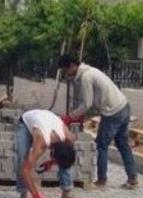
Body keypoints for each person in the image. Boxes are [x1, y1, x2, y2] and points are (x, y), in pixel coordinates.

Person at [58, 54, 138, 189]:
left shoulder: (86, 77)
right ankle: (133, 178)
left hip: (113, 112)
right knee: (123, 144)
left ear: (72, 66)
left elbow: (86, 104)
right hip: (124, 106)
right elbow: (92, 101)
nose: (66, 74)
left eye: (66, 70)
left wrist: (70, 117)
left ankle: (101, 180)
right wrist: (80, 115)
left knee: (101, 145)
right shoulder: (91, 71)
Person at [15, 109, 81, 198]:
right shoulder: (41, 142)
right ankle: (23, 195)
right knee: (22, 158)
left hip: (49, 118)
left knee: (66, 159)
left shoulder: (69, 138)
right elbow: (25, 171)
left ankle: (66, 196)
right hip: (27, 121)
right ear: (52, 152)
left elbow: (66, 157)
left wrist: (52, 162)